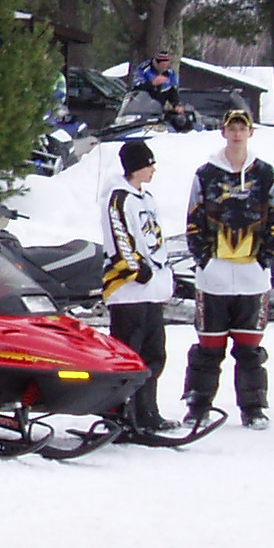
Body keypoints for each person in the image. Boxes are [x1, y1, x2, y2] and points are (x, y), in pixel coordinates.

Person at [182, 108, 274, 429]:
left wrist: (266, 259)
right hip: (214, 277)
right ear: (223, 132)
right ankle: (198, 405)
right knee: (208, 348)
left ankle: (253, 408)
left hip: (253, 277)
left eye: (242, 128)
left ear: (251, 133)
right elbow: (194, 219)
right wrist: (204, 260)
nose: (237, 134)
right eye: (232, 128)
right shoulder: (206, 173)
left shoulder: (265, 173)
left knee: (250, 349)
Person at [99, 137, 175, 431]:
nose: (153, 169)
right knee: (128, 354)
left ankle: (147, 412)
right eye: (148, 164)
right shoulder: (119, 198)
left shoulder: (146, 198)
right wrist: (135, 269)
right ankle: (119, 414)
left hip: (152, 291)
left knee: (153, 354)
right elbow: (119, 236)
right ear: (135, 167)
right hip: (129, 291)